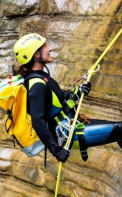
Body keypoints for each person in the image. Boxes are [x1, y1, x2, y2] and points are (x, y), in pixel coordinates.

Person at [13, 33, 122, 163]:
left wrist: (78, 92)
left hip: (72, 125)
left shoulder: (42, 77)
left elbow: (60, 97)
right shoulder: (37, 84)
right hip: (68, 134)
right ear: (36, 54)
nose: (50, 49)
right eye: (45, 46)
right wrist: (57, 151)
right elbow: (38, 121)